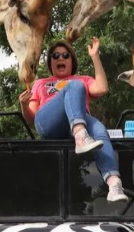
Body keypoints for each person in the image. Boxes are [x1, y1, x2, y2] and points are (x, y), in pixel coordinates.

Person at [19, 37, 128, 202]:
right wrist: (23, 105)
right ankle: (80, 135)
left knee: (99, 129)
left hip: (78, 122)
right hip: (48, 123)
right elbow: (31, 118)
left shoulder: (82, 79)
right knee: (74, 85)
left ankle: (113, 183)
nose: (60, 58)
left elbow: (102, 88)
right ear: (50, 63)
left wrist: (95, 56)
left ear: (72, 61)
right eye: (55, 56)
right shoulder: (41, 83)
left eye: (65, 55)